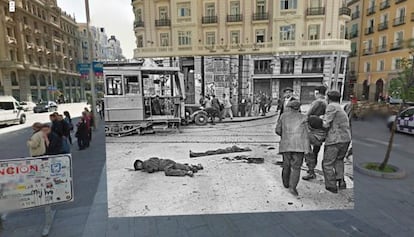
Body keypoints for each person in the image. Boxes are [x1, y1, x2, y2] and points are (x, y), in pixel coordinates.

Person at [275, 100, 310, 196]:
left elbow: (277, 130)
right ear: (299, 108)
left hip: (286, 144)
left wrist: (285, 135)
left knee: (286, 164)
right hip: (299, 145)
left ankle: (286, 183)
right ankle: (293, 188)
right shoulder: (304, 117)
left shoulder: (283, 116)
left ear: (289, 108)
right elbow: (308, 132)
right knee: (296, 167)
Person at [322, 90, 352, 194]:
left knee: (327, 163)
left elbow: (326, 124)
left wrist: (320, 120)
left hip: (335, 140)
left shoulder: (331, 106)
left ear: (328, 98)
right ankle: (341, 182)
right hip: (346, 139)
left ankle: (331, 186)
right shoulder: (339, 107)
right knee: (339, 160)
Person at [302, 86, 328, 181]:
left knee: (308, 150)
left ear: (317, 93)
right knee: (316, 151)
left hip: (313, 129)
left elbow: (307, 114)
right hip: (322, 130)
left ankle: (311, 170)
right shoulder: (327, 102)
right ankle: (311, 169)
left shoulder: (317, 102)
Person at [133, 157, 203, 177]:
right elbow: (156, 158)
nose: (139, 167)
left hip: (164, 165)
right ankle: (194, 167)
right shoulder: (149, 159)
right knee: (176, 165)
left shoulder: (145, 165)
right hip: (167, 161)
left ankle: (187, 172)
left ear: (140, 163)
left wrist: (146, 170)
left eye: (138, 166)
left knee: (168, 172)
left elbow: (152, 169)